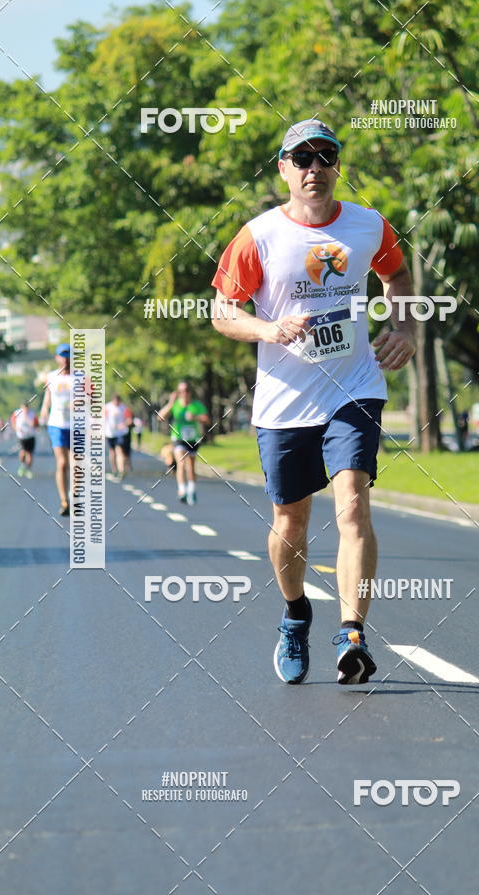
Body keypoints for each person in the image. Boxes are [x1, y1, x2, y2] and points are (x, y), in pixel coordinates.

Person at [211, 118, 415, 686]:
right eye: (301, 158)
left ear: (337, 166)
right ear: (283, 169)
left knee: (352, 499)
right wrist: (270, 330)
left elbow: (397, 276)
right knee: (290, 520)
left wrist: (406, 329)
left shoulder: (367, 225)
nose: (314, 167)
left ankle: (352, 632)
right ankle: (296, 614)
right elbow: (222, 313)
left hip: (354, 385)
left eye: (325, 156)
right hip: (284, 399)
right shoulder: (258, 236)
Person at [158, 381, 210, 505]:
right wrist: (170, 403)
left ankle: (191, 491)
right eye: (181, 391)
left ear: (190, 392)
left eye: (186, 390)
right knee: (181, 463)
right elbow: (160, 417)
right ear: (178, 393)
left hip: (193, 438)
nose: (184, 393)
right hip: (178, 438)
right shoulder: (175, 405)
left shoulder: (196, 405)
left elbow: (207, 420)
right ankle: (182, 490)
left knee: (191, 466)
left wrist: (195, 418)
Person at [39, 342, 72, 515]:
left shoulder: (81, 377)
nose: (65, 359)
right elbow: (48, 397)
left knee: (76, 465)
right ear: (57, 358)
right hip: (57, 424)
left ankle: (73, 496)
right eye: (62, 356)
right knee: (62, 463)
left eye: (68, 356)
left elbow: (92, 400)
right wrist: (44, 410)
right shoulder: (51, 377)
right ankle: (64, 501)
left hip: (77, 425)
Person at [104, 393, 133, 479]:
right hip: (110, 433)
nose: (117, 403)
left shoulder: (124, 408)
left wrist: (123, 424)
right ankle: (114, 469)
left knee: (119, 450)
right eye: (115, 401)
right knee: (112, 452)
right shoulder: (107, 407)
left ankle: (121, 471)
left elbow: (129, 420)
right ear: (113, 400)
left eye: (118, 401)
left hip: (121, 433)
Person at [11, 402, 38, 478]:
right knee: (22, 452)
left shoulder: (32, 414)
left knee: (29, 453)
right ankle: (22, 466)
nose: (25, 409)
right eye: (23, 407)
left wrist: (26, 417)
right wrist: (16, 429)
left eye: (26, 407)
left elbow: (35, 424)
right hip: (21, 436)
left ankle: (28, 469)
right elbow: (13, 422)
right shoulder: (17, 413)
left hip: (30, 436)